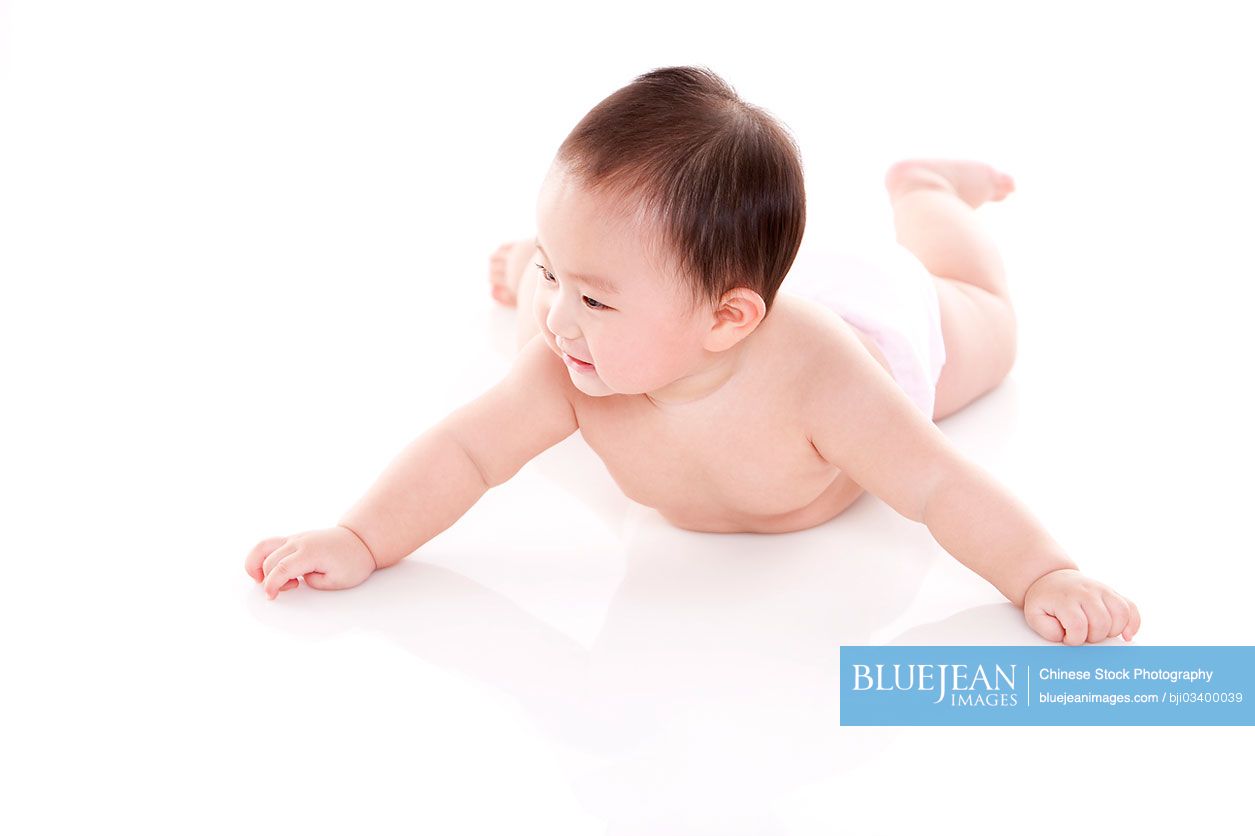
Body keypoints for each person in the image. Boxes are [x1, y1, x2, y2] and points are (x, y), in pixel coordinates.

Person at [245, 66, 1139, 646]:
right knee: (540, 336)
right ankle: (539, 258)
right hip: (679, 309)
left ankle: (926, 193)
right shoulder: (578, 353)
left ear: (726, 320)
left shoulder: (826, 381)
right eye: (562, 274)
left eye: (590, 294)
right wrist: (360, 537)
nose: (566, 319)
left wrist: (1043, 574)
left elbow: (940, 486)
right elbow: (466, 450)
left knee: (986, 320)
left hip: (869, 317)